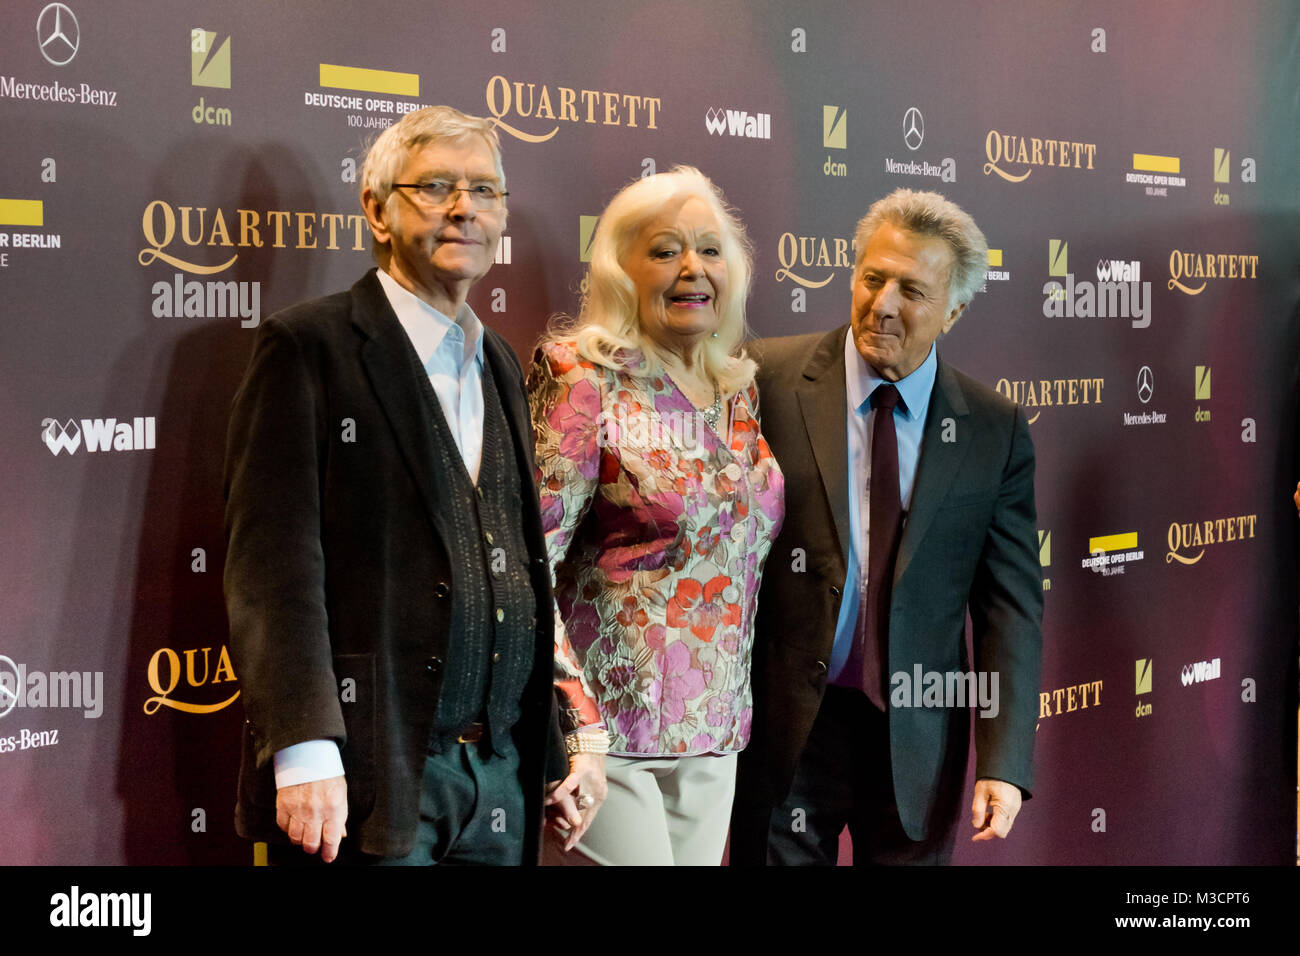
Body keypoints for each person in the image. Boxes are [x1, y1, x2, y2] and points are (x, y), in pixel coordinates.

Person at [223, 105, 581, 866]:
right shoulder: (308, 348)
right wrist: (305, 749)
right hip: (371, 776)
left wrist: (551, 745)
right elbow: (273, 570)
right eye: (436, 187)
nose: (465, 208)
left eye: (485, 190)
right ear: (377, 211)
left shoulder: (502, 366)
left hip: (501, 776)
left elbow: (517, 562)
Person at [729, 188, 1043, 865]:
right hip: (786, 732)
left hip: (917, 741)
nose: (884, 304)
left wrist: (1005, 761)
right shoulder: (764, 381)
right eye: (873, 278)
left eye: (912, 290)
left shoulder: (995, 430)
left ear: (954, 310)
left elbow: (1010, 605)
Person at [528, 166, 785, 865]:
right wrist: (572, 723)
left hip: (716, 735)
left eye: (709, 249)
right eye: (666, 250)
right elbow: (527, 566)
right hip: (607, 742)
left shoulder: (738, 389)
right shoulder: (581, 376)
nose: (692, 269)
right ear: (621, 269)